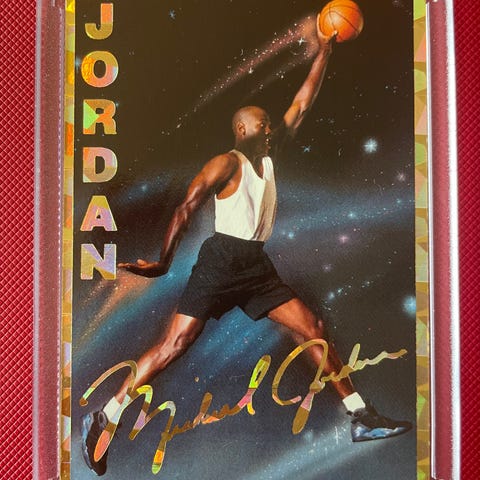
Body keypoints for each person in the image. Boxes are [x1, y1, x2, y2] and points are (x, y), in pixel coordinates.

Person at [81, 23, 411, 477]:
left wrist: (325, 52)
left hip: (255, 264)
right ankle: (108, 414)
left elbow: (302, 103)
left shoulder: (269, 161)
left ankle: (360, 416)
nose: (270, 128)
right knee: (174, 344)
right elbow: (186, 206)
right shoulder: (226, 162)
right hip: (221, 261)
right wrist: (163, 262)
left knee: (312, 328)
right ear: (242, 129)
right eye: (262, 124)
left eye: (270, 125)